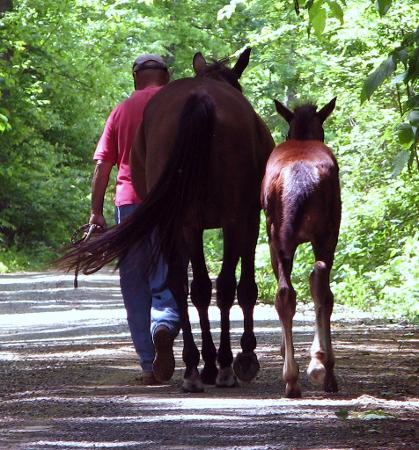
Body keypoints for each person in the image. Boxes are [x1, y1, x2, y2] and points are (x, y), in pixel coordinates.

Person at [89, 54, 180, 384]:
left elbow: (102, 167)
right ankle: (166, 324)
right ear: (166, 77)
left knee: (134, 282)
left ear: (135, 79)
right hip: (170, 204)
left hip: (129, 204)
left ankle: (148, 362)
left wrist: (96, 212)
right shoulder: (178, 104)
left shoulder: (122, 109)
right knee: (168, 275)